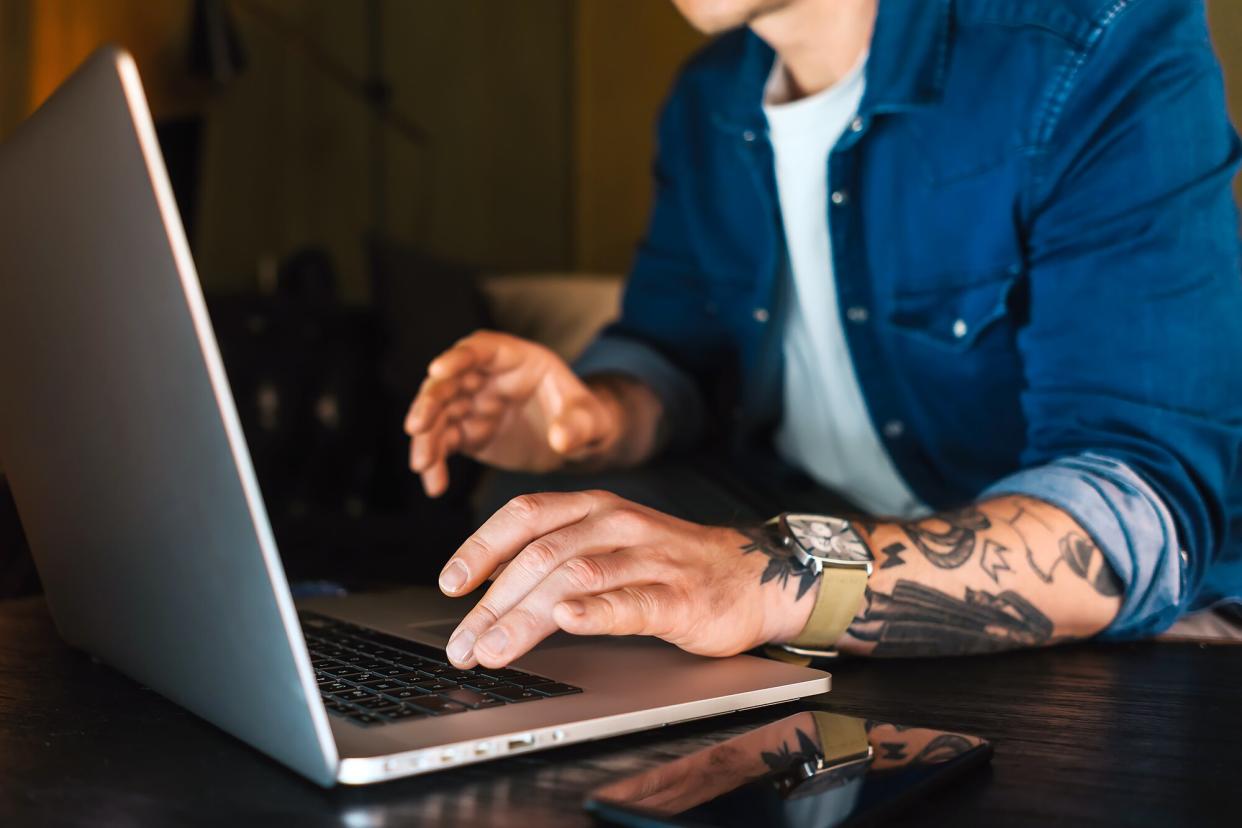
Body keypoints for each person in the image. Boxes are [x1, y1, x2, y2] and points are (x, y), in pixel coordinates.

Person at [405, 0, 1242, 670]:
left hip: (1106, 648)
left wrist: (768, 575)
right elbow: (672, 352)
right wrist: (593, 417)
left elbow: (1141, 507)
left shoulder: (1097, 42)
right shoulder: (708, 100)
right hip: (800, 577)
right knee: (532, 545)